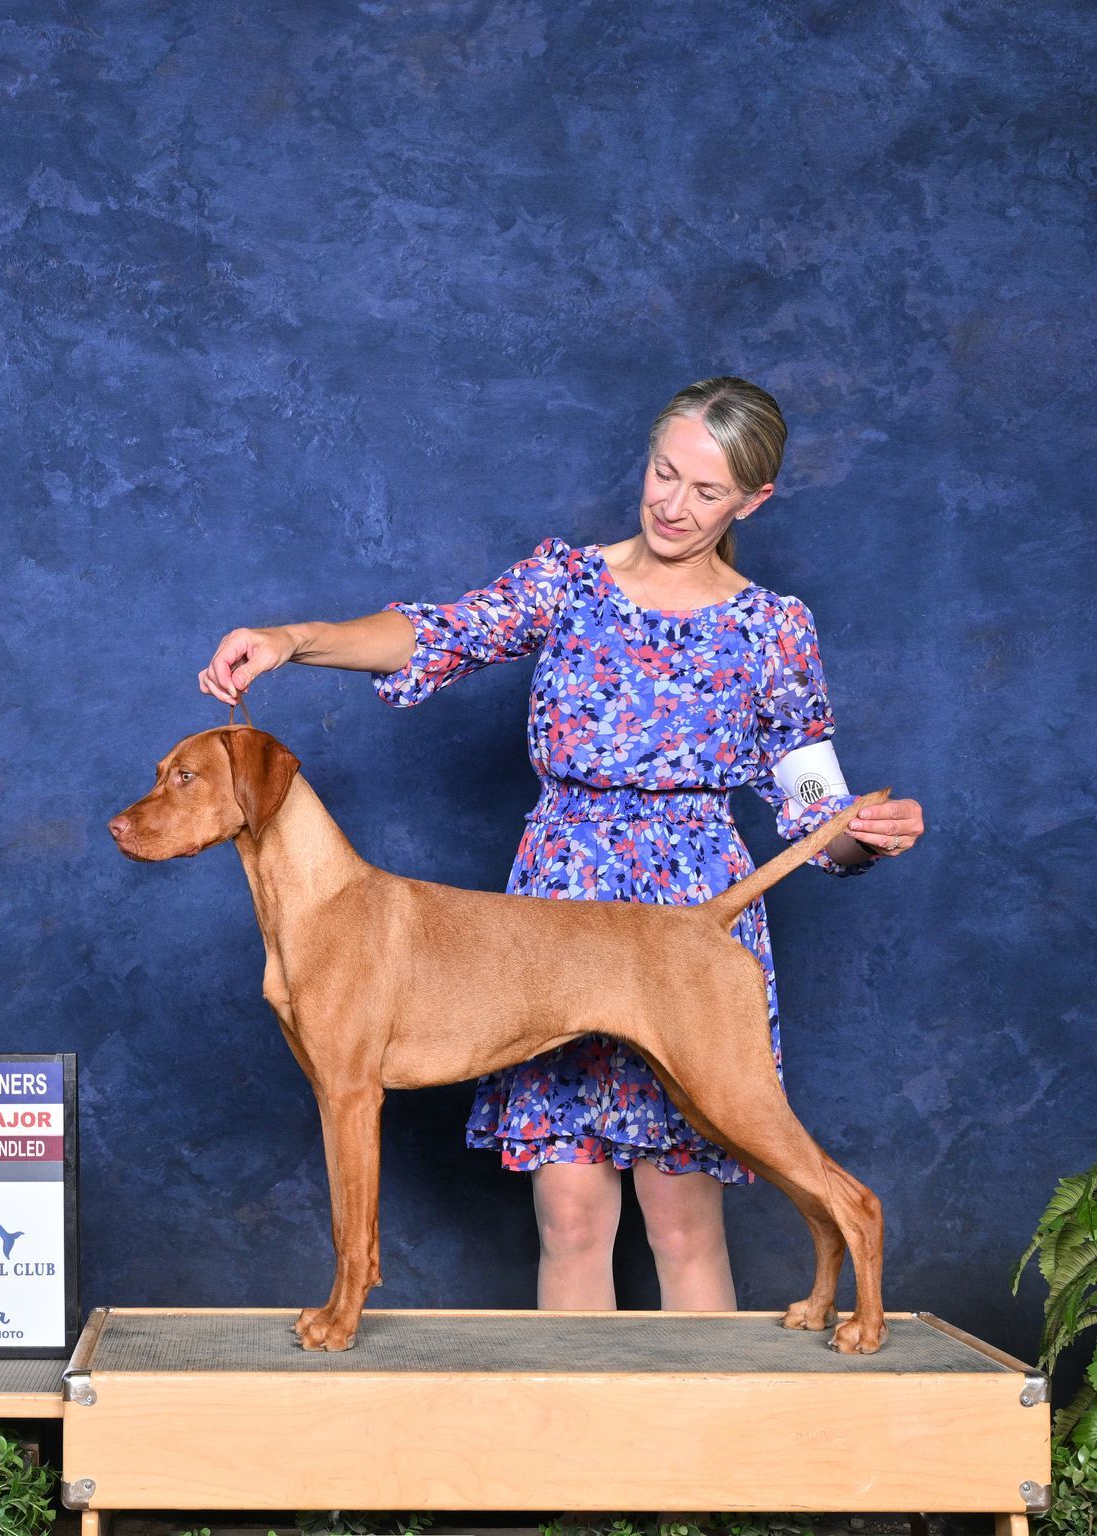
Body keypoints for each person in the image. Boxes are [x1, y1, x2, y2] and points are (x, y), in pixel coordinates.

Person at [199, 377, 922, 1313]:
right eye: (665, 473)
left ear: (753, 502)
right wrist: (293, 639)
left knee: (681, 1219)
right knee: (572, 1216)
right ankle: (577, 1416)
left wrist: (862, 836)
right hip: (553, 916)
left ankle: (708, 1414)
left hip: (691, 914)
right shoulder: (568, 580)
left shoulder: (773, 628)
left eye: (707, 492)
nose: (674, 504)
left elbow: (815, 807)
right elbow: (436, 634)